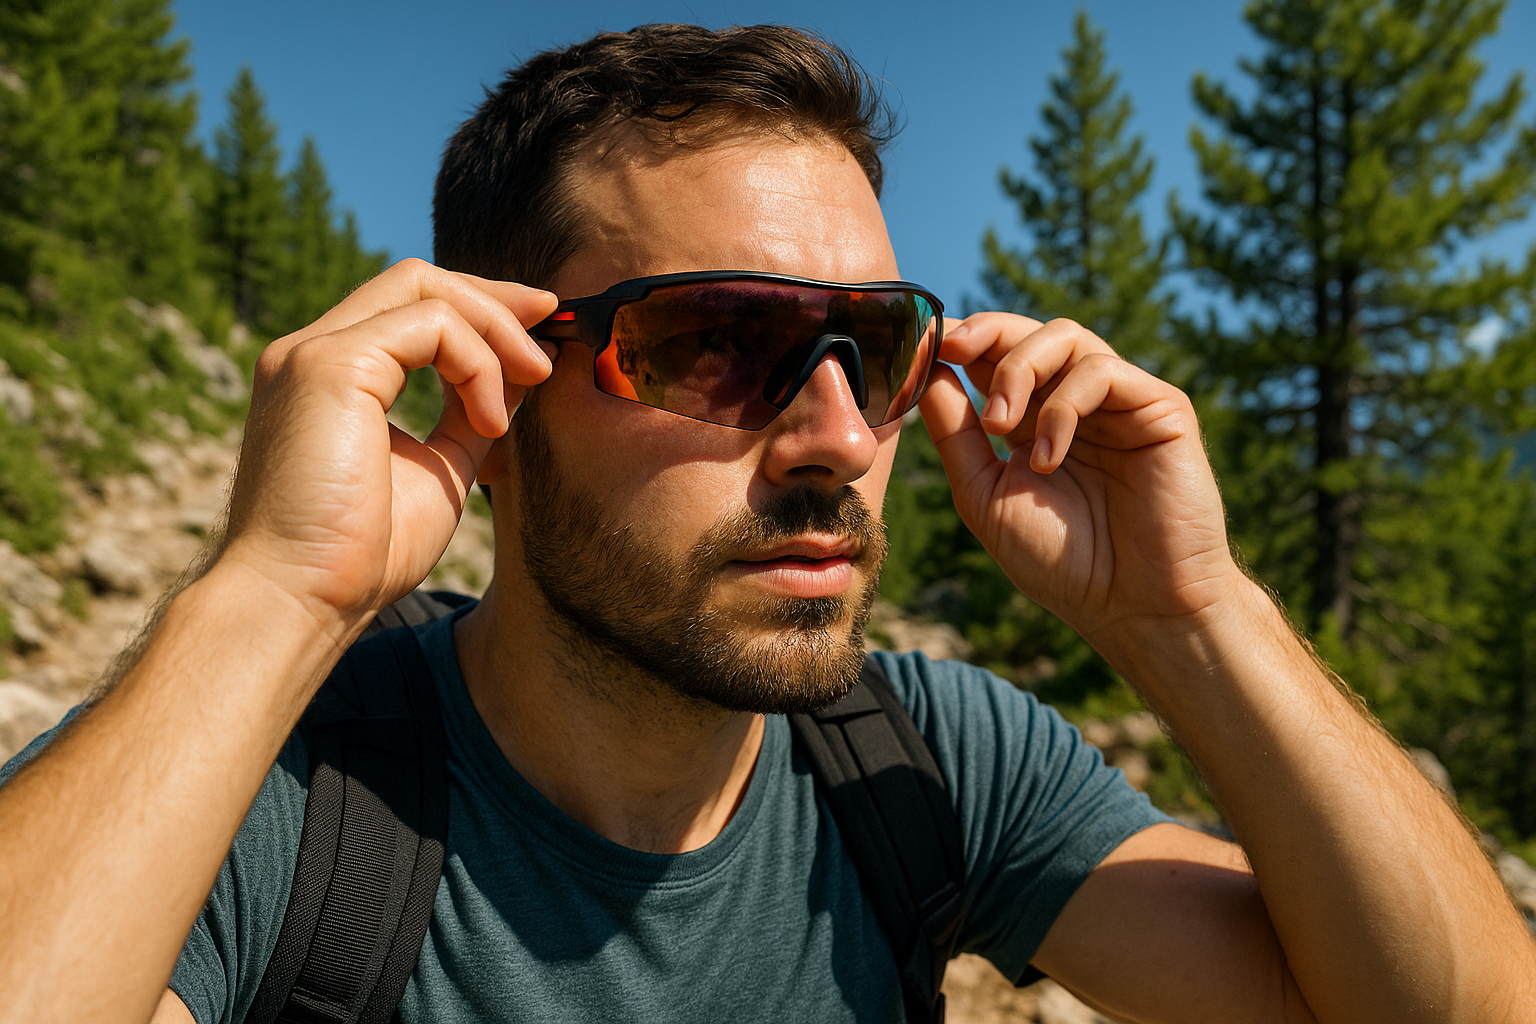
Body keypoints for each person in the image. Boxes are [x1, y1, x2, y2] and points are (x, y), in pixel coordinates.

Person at [1, 22, 1532, 1024]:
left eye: (869, 349)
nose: (832, 439)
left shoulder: (932, 767)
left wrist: (1192, 616)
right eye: (710, 345)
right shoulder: (292, 792)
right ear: (497, 395)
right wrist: (271, 593)